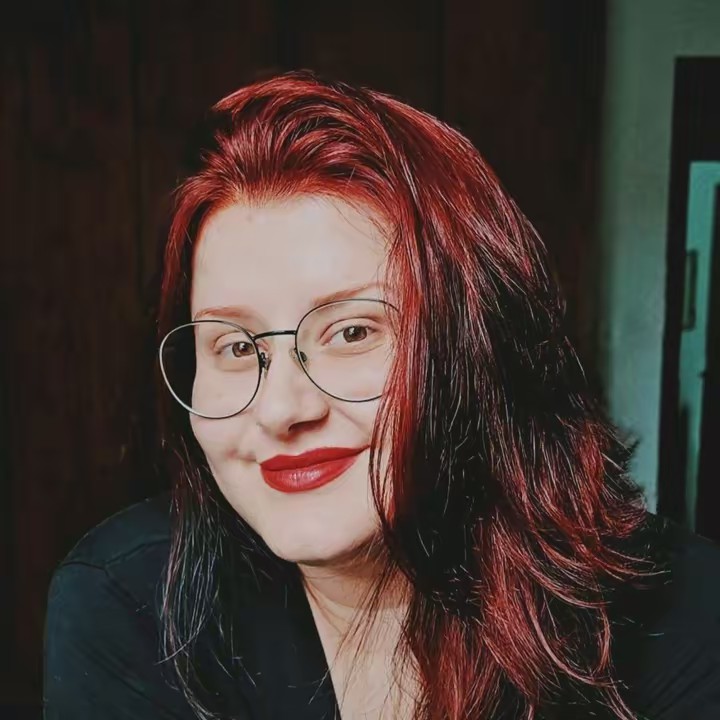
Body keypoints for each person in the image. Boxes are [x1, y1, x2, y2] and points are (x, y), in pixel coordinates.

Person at [43, 71, 720, 720]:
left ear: (478, 346)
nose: (280, 410)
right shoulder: (129, 602)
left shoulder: (683, 616)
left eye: (353, 332)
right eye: (238, 347)